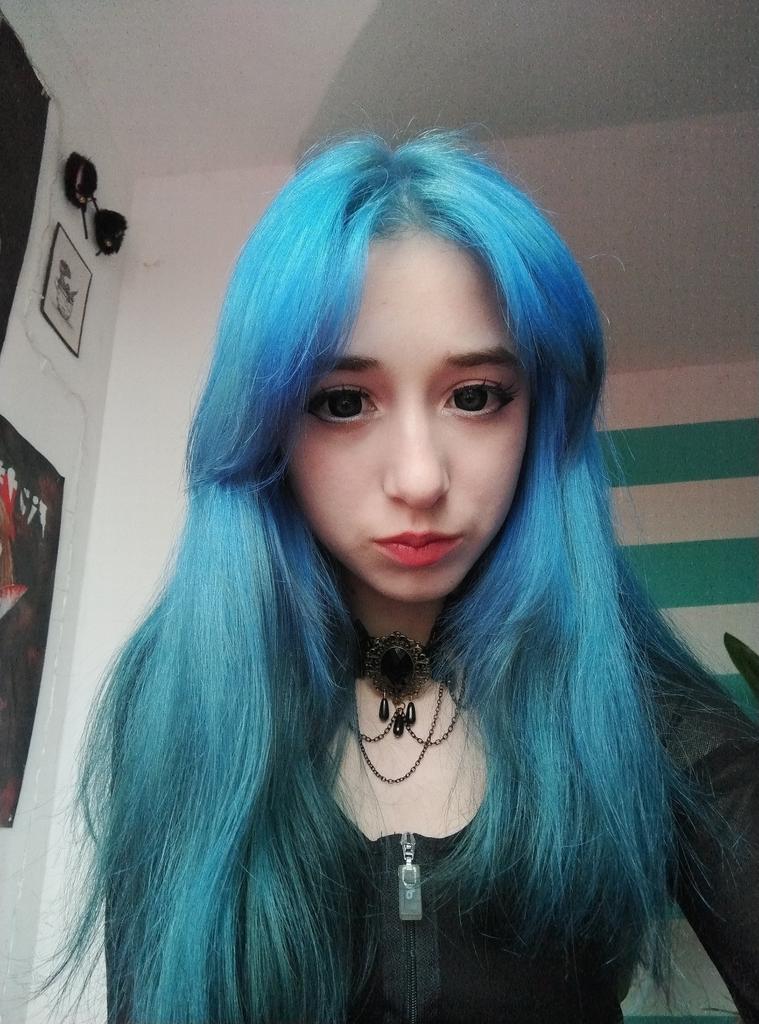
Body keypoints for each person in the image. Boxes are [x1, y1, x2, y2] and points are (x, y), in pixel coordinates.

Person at [50, 131, 758, 1023]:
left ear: (539, 416)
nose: (420, 479)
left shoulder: (626, 691)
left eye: (475, 396)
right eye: (343, 403)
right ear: (265, 426)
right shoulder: (180, 692)